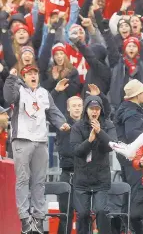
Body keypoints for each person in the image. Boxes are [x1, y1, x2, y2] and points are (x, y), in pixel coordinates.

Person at [4, 65, 70, 234]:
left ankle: (39, 218)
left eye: (35, 73)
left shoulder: (44, 93)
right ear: (24, 77)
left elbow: (53, 111)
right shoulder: (19, 91)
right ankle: (25, 217)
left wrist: (61, 122)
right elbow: (8, 97)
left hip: (40, 141)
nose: (33, 76)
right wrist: (11, 78)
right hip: (22, 140)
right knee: (23, 180)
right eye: (29, 74)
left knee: (39, 182)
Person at [70, 95, 116, 234]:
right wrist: (89, 141)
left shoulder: (108, 125)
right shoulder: (77, 126)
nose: (94, 112)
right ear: (86, 110)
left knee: (101, 211)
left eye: (97, 109)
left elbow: (112, 145)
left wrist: (100, 132)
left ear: (101, 110)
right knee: (82, 214)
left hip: (101, 177)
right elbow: (76, 151)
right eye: (91, 108)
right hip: (82, 178)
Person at [113, 79, 143, 200]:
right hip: (133, 157)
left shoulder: (125, 108)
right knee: (136, 193)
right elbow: (133, 134)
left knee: (128, 193)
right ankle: (133, 218)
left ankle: (126, 217)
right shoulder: (132, 113)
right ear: (137, 95)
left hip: (125, 155)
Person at [55, 95, 83, 234]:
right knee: (65, 214)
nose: (77, 108)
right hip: (67, 174)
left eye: (79, 105)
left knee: (83, 215)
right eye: (74, 105)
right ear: (68, 108)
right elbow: (66, 151)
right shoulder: (63, 125)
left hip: (83, 175)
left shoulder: (88, 125)